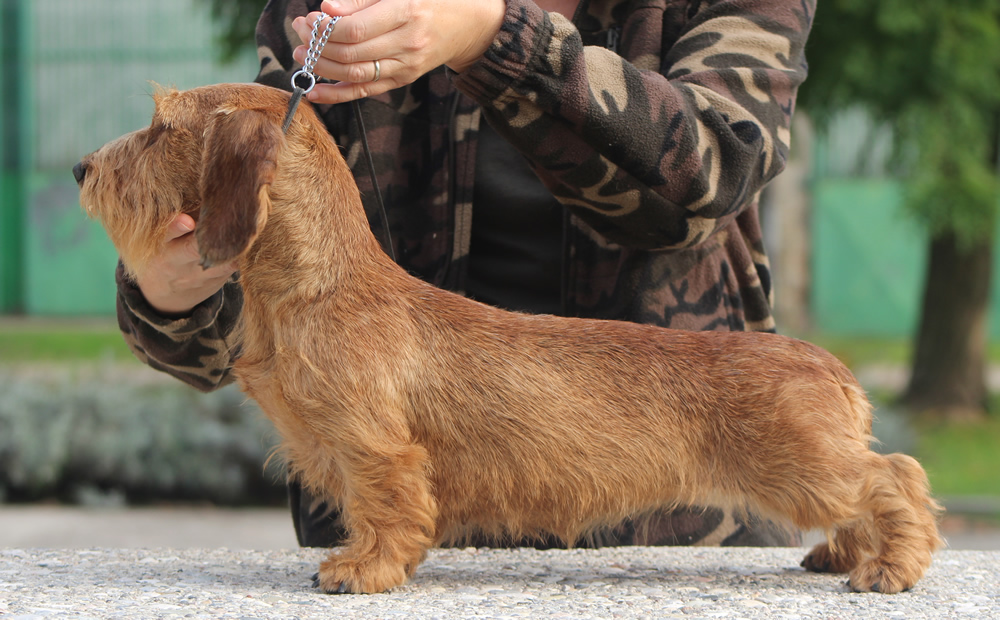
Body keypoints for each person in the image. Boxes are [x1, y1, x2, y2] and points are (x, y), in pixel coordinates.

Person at [115, 0, 815, 548]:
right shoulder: (330, 7)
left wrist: (495, 38)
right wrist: (171, 300)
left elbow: (707, 179)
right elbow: (251, 287)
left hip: (684, 518)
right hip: (393, 541)